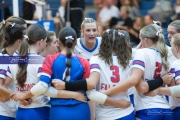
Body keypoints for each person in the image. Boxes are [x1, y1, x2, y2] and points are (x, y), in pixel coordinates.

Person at [99, 24, 173, 120]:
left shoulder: (140, 53)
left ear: (145, 40)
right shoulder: (165, 56)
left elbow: (141, 86)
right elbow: (173, 86)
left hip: (147, 108)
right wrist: (162, 81)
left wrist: (107, 92)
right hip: (166, 109)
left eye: (140, 39)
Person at [6, 24, 49, 120]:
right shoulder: (42, 61)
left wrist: (18, 95)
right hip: (39, 111)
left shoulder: (13, 60)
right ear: (41, 42)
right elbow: (42, 86)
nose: (46, 44)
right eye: (46, 41)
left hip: (21, 113)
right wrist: (24, 95)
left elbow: (4, 84)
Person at [0, 22, 26, 120]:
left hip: (13, 110)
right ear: (19, 41)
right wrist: (19, 97)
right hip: (3, 112)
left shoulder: (16, 56)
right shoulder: (3, 58)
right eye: (24, 38)